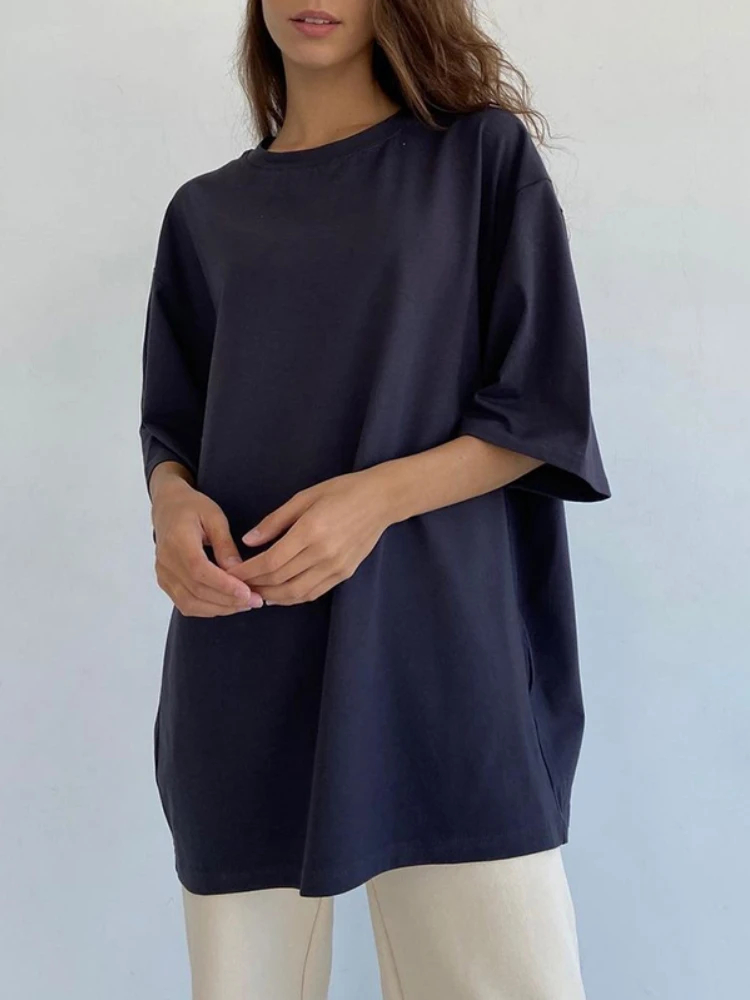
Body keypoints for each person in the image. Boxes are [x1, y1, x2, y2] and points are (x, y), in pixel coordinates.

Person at [139, 1, 612, 997]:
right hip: (243, 646)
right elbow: (173, 428)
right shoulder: (205, 213)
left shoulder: (478, 161)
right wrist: (170, 505)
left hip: (440, 650)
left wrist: (373, 502)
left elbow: (539, 406)